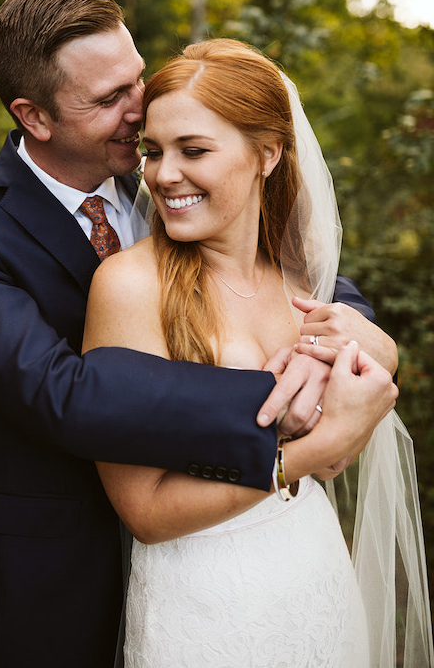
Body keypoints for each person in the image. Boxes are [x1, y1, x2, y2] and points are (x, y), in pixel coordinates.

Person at [0, 0, 399, 667]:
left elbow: (302, 281)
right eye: (110, 99)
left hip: (242, 561)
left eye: (136, 78)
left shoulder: (170, 180)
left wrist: (364, 341)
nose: (140, 111)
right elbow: (61, 394)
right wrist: (282, 412)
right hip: (59, 570)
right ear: (35, 115)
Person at [83, 38, 431, 667]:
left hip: (313, 574)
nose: (163, 175)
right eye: (154, 152)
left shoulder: (306, 288)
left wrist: (379, 354)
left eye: (194, 151)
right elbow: (146, 512)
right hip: (199, 600)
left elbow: (348, 431)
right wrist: (314, 450)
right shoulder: (130, 286)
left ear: (267, 153)